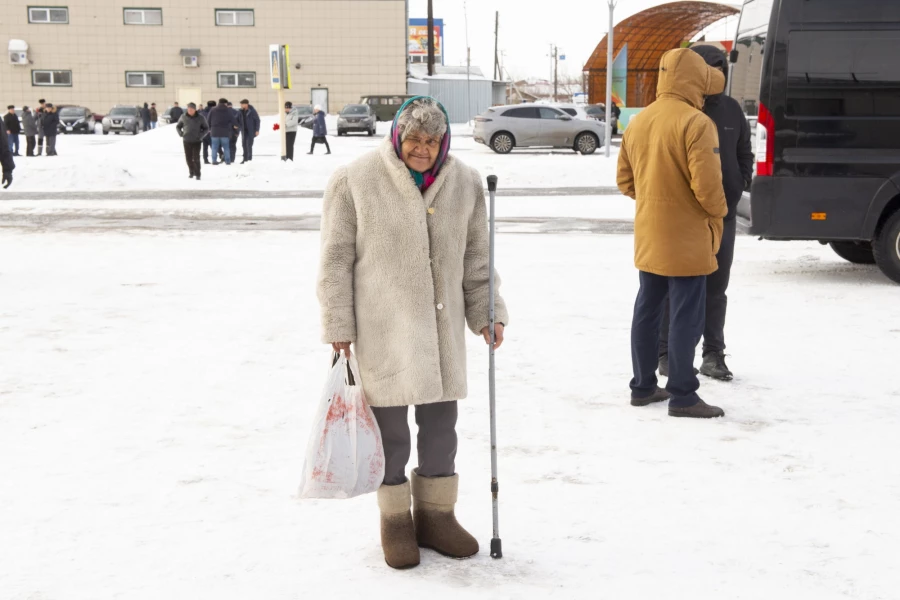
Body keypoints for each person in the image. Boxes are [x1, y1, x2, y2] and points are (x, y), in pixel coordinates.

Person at [318, 96, 509, 570]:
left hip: (442, 334)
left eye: (431, 140)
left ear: (443, 142)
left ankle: (436, 514)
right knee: (392, 436)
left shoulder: (464, 182)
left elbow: (477, 259)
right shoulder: (354, 180)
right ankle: (396, 521)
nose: (421, 149)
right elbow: (335, 260)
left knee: (441, 432)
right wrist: (338, 325)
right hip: (383, 328)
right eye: (413, 139)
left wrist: (488, 313)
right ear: (397, 138)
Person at [616, 48, 728, 420]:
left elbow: (624, 181)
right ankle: (683, 394)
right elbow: (708, 189)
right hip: (689, 236)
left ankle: (643, 386)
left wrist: (653, 199)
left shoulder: (639, 121)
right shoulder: (697, 123)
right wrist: (719, 215)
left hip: (650, 232)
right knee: (685, 316)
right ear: (696, 82)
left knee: (647, 309)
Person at [659, 45, 755, 383]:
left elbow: (745, 152)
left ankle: (713, 354)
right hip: (685, 218)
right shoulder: (679, 111)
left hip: (723, 217)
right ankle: (667, 354)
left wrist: (740, 180)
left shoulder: (731, 110)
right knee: (678, 288)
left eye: (721, 67)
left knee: (716, 287)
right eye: (710, 67)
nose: (718, 73)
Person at [176, 103, 209, 181]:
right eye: (188, 109)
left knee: (196, 158)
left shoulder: (200, 117)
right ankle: (191, 172)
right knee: (188, 158)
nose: (190, 110)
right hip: (186, 140)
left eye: (191, 109)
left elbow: (206, 128)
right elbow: (178, 126)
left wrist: (200, 136)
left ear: (195, 109)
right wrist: (181, 133)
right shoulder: (183, 116)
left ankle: (198, 174)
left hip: (196, 141)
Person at [207, 98, 234, 166]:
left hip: (214, 132)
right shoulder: (228, 110)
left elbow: (208, 119)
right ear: (225, 103)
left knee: (214, 147)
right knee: (226, 147)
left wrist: (209, 128)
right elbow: (232, 119)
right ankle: (227, 161)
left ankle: (214, 160)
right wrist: (236, 125)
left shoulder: (213, 109)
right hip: (225, 132)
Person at [238, 99, 260, 163]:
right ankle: (245, 159)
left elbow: (257, 120)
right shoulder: (240, 111)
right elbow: (237, 119)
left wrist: (257, 130)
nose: (241, 105)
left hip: (250, 130)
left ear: (246, 104)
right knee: (244, 144)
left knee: (249, 145)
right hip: (244, 131)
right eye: (241, 104)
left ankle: (249, 159)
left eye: (242, 104)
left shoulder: (252, 111)